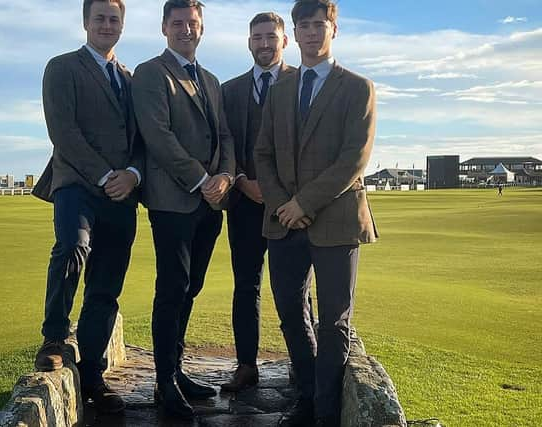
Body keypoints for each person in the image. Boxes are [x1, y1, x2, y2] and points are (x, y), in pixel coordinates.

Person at [253, 0, 378, 425]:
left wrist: (304, 203)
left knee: (333, 322)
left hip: (337, 221)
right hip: (284, 222)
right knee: (290, 311)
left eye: (318, 24)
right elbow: (263, 153)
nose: (310, 32)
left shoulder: (358, 88)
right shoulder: (280, 88)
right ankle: (307, 396)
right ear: (295, 31)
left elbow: (353, 160)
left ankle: (326, 412)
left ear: (333, 30)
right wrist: (284, 205)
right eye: (303, 25)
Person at [31, 0, 142, 415]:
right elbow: (64, 131)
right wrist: (104, 175)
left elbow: (143, 139)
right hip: (76, 182)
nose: (107, 25)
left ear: (122, 26)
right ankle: (54, 337)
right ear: (85, 23)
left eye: (115, 19)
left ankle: (92, 372)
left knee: (107, 283)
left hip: (123, 192)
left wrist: (131, 173)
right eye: (100, 18)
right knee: (73, 246)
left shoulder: (132, 79)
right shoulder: (61, 67)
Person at [131, 0, 235, 419]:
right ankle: (163, 382)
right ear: (164, 28)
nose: (186, 30)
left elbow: (226, 136)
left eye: (193, 23)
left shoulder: (210, 79)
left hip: (211, 204)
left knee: (191, 287)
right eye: (178, 23)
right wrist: (201, 180)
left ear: (202, 28)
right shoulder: (151, 73)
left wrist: (225, 178)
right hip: (174, 201)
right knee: (172, 288)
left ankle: (176, 369)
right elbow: (158, 135)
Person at [220, 12, 297, 392]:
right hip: (243, 202)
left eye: (271, 37)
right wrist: (241, 181)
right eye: (257, 37)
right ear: (248, 41)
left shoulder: (301, 83)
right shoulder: (230, 90)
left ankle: (302, 364)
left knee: (295, 289)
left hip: (290, 207)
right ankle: (246, 365)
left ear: (285, 41)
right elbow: (223, 141)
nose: (264, 44)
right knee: (245, 286)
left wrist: (280, 191)